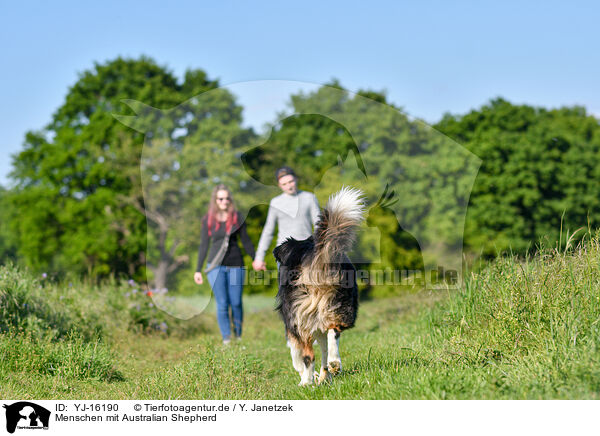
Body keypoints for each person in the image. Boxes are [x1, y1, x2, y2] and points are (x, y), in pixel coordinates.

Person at [194, 184, 255, 344]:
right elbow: (203, 245)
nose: (224, 201)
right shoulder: (208, 219)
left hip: (236, 265)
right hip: (215, 267)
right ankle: (226, 338)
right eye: (221, 198)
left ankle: (239, 336)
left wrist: (256, 259)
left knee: (236, 302)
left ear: (230, 199)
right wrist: (198, 270)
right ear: (215, 200)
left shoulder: (237, 217)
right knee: (222, 303)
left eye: (227, 198)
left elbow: (246, 241)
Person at [252, 166, 320, 271]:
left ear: (296, 179)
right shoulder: (275, 202)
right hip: (285, 253)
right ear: (279, 185)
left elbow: (318, 225)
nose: (289, 186)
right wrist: (259, 257)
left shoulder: (309, 197)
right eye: (284, 184)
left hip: (306, 251)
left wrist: (321, 248)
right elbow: (268, 231)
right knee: (286, 286)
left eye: (291, 181)